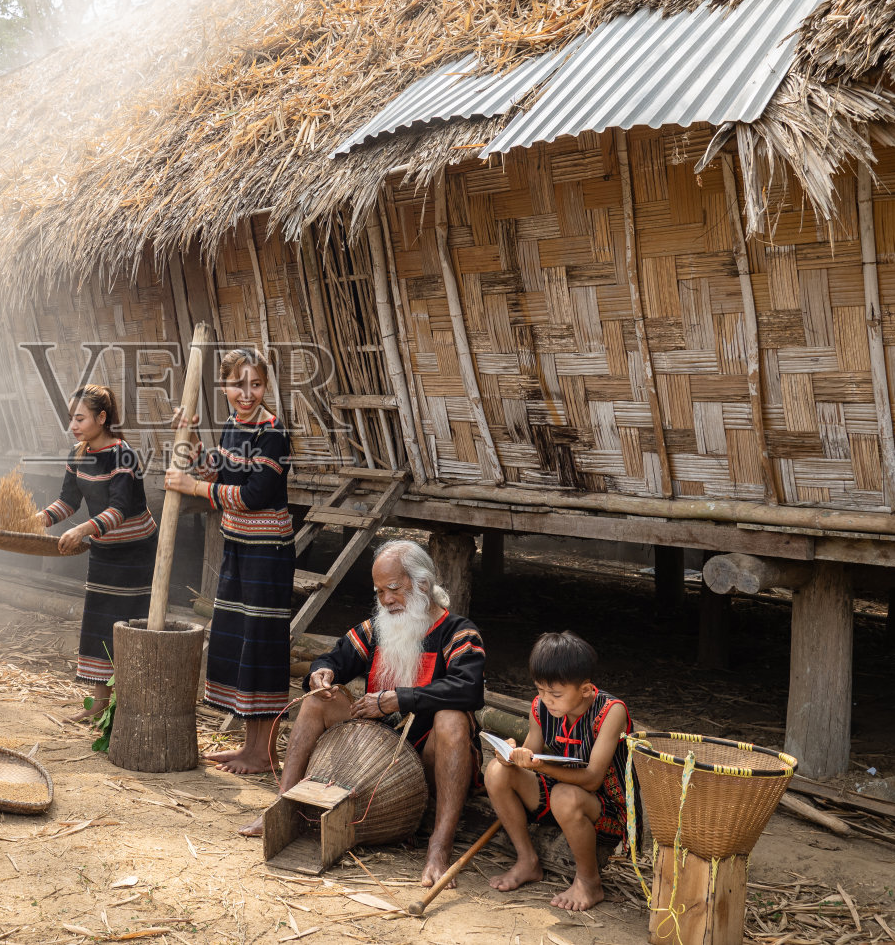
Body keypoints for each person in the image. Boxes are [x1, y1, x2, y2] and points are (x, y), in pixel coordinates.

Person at [244, 539, 486, 888]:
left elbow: (468, 689)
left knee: (452, 719)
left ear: (421, 584)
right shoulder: (376, 628)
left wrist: (397, 700)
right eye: (379, 591)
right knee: (318, 700)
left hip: (430, 757)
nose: (386, 600)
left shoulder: (459, 632)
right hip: (374, 754)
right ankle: (282, 810)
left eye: (393, 588)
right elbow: (333, 658)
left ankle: (438, 847)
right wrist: (321, 673)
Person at [162, 347, 293, 774]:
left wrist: (191, 488)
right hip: (239, 546)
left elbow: (254, 496)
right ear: (224, 386)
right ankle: (249, 747)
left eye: (256, 384)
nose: (247, 393)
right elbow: (219, 473)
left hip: (268, 554)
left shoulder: (273, 434)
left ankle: (264, 752)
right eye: (239, 384)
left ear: (265, 386)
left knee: (262, 646)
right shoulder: (234, 426)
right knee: (240, 641)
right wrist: (195, 440)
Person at [485, 631, 632, 912]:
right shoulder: (540, 708)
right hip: (556, 798)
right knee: (495, 772)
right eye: (540, 689)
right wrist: (510, 757)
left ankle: (589, 881)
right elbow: (528, 756)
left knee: (565, 795)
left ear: (586, 690)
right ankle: (527, 861)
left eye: (555, 693)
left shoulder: (612, 712)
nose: (545, 699)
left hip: (605, 812)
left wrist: (541, 766)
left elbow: (592, 779)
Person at [39, 385, 159, 722]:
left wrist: (81, 530)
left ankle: (132, 706)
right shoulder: (77, 454)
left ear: (102, 418)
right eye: (71, 419)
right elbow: (68, 501)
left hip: (135, 552)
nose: (73, 425)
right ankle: (98, 707)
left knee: (128, 625)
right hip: (104, 549)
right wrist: (41, 518)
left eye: (80, 418)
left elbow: (120, 509)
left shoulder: (123, 455)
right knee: (98, 623)